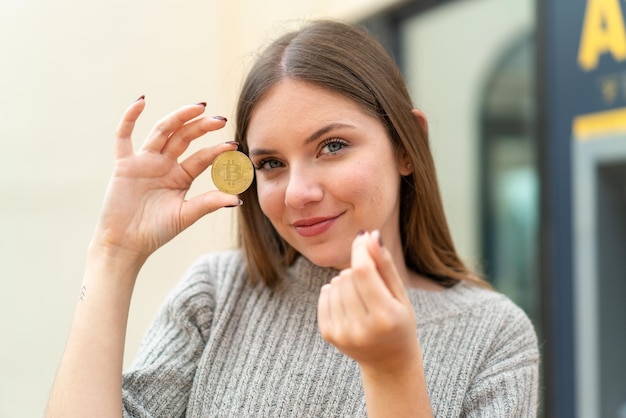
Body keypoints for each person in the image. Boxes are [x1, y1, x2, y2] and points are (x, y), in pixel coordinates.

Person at [46, 20, 539, 417]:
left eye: (333, 146)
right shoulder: (217, 295)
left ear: (407, 144)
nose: (299, 194)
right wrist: (113, 254)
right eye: (271, 164)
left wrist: (393, 372)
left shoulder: (494, 335)